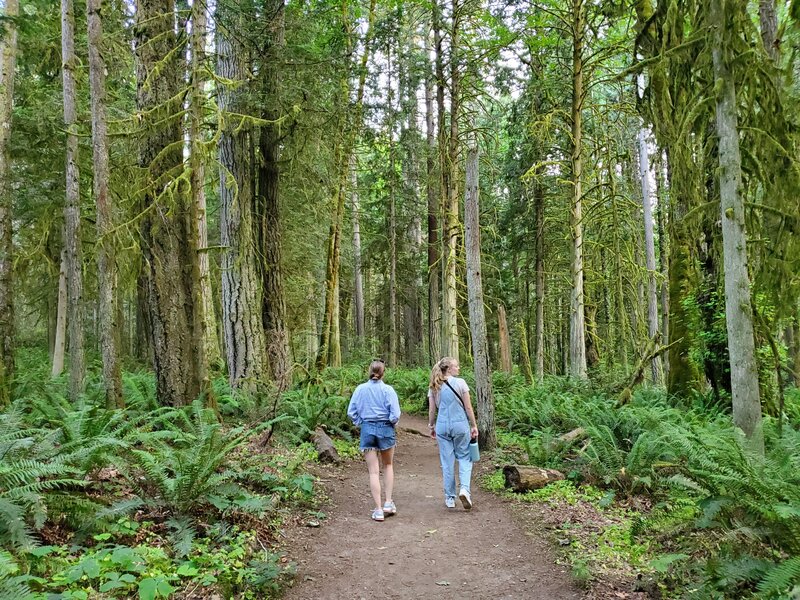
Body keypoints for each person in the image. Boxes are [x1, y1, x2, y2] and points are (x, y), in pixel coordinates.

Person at [347, 359, 401, 522]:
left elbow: (351, 411)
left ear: (369, 371)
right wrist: (391, 423)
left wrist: (360, 423)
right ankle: (388, 502)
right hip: (385, 428)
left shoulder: (360, 389)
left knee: (373, 471)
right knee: (388, 465)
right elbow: (395, 414)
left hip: (367, 429)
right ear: (383, 372)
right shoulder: (388, 390)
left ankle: (378, 510)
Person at [427, 357, 479, 510]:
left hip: (442, 426)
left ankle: (450, 498)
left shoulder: (434, 385)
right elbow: (468, 408)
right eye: (456, 366)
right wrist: (474, 425)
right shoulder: (461, 383)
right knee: (464, 457)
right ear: (448, 368)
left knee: (447, 462)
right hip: (460, 425)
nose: (458, 368)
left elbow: (432, 410)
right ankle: (464, 489)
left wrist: (431, 425)